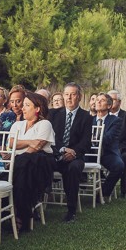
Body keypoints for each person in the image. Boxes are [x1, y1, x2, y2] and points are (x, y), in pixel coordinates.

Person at [8, 91, 56, 231]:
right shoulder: (17, 125)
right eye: (23, 105)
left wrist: (19, 149)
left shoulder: (45, 124)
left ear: (37, 108)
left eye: (27, 105)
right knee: (21, 168)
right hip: (19, 164)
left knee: (24, 166)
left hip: (39, 163)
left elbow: (37, 147)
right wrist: (29, 141)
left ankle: (20, 216)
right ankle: (20, 214)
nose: (22, 108)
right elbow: (11, 143)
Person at [48, 83, 89, 222]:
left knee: (74, 168)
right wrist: (63, 149)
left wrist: (74, 153)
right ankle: (36, 205)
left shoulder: (86, 117)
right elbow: (52, 137)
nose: (69, 98)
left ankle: (71, 210)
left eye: (73, 94)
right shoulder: (54, 114)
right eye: (66, 94)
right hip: (56, 154)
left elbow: (86, 142)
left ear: (79, 97)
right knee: (40, 162)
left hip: (75, 157)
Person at [105, 89, 126, 198]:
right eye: (108, 100)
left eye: (113, 100)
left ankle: (124, 190)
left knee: (125, 158)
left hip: (125, 148)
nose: (111, 102)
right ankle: (105, 188)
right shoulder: (103, 116)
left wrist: (119, 147)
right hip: (107, 149)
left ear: (119, 102)